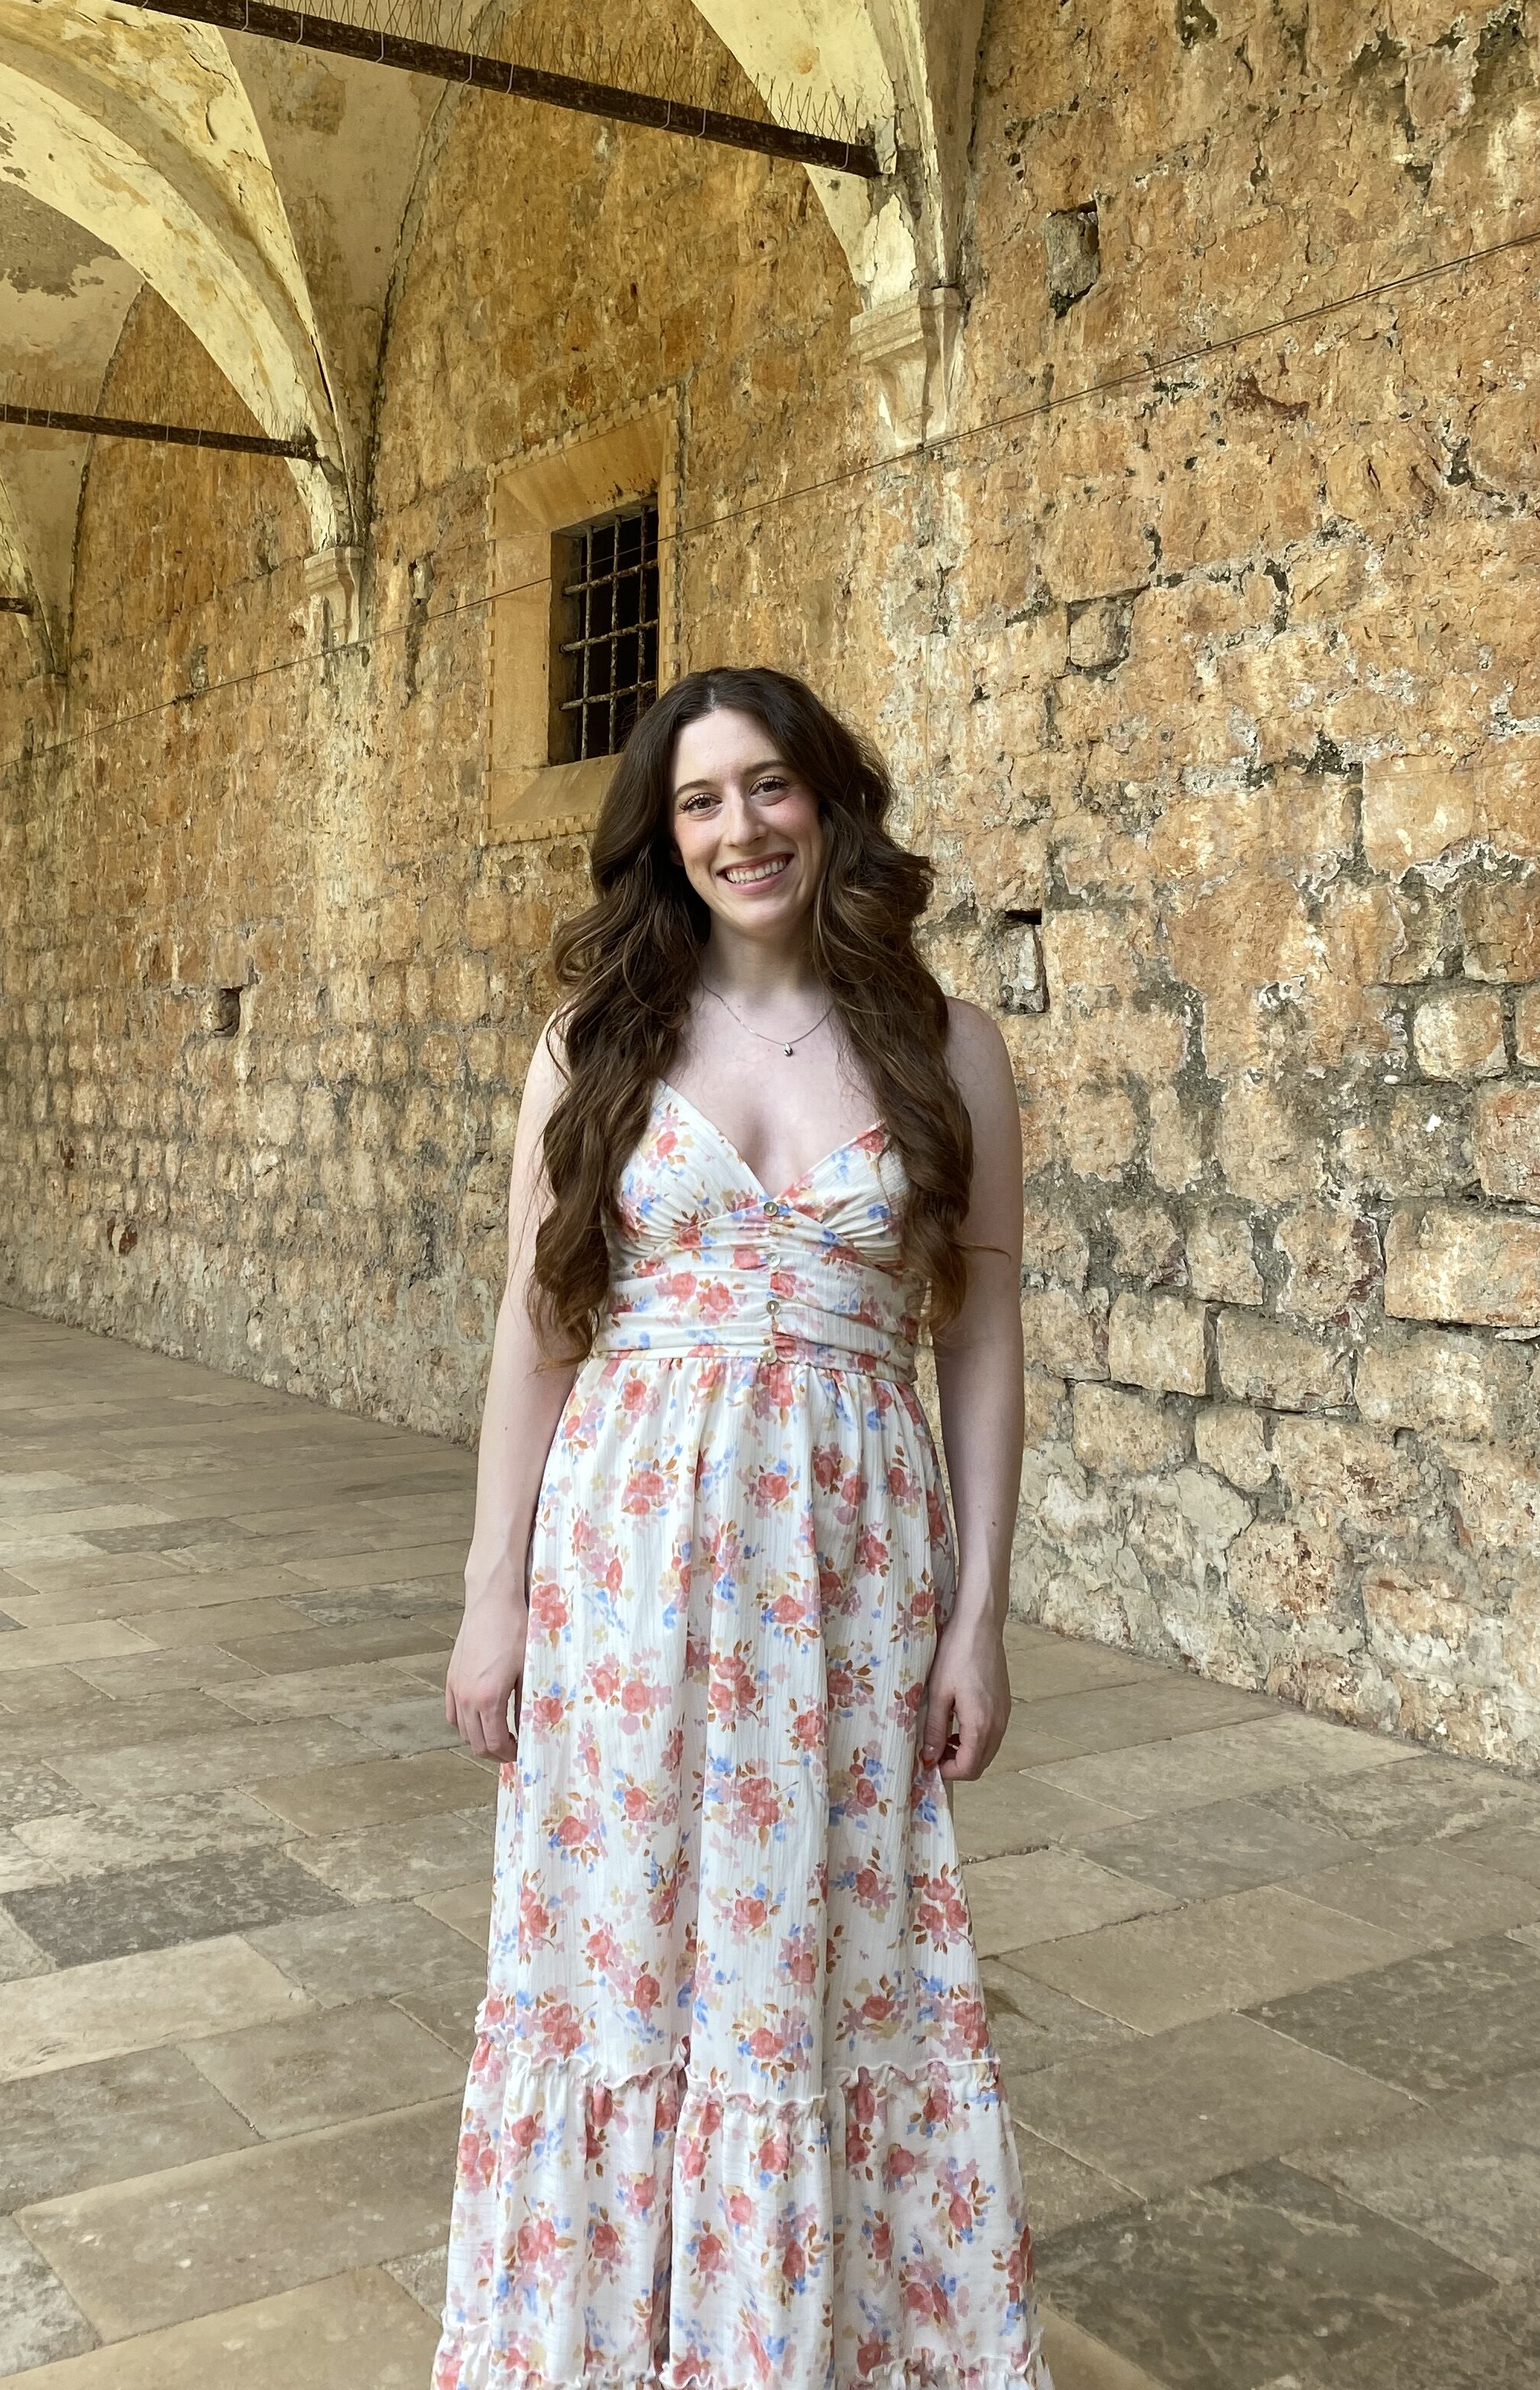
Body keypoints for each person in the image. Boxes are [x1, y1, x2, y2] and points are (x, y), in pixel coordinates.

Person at [437, 666, 1049, 2388]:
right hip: (628, 1566)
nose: (739, 829)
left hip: (848, 1585)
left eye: (767, 789)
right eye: (701, 802)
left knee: (832, 1966)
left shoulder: (947, 1049)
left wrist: (980, 1612)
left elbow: (983, 1335)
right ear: (665, 836)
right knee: (620, 1958)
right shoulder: (596, 1046)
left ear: (828, 802)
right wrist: (496, 1598)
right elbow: (533, 1330)